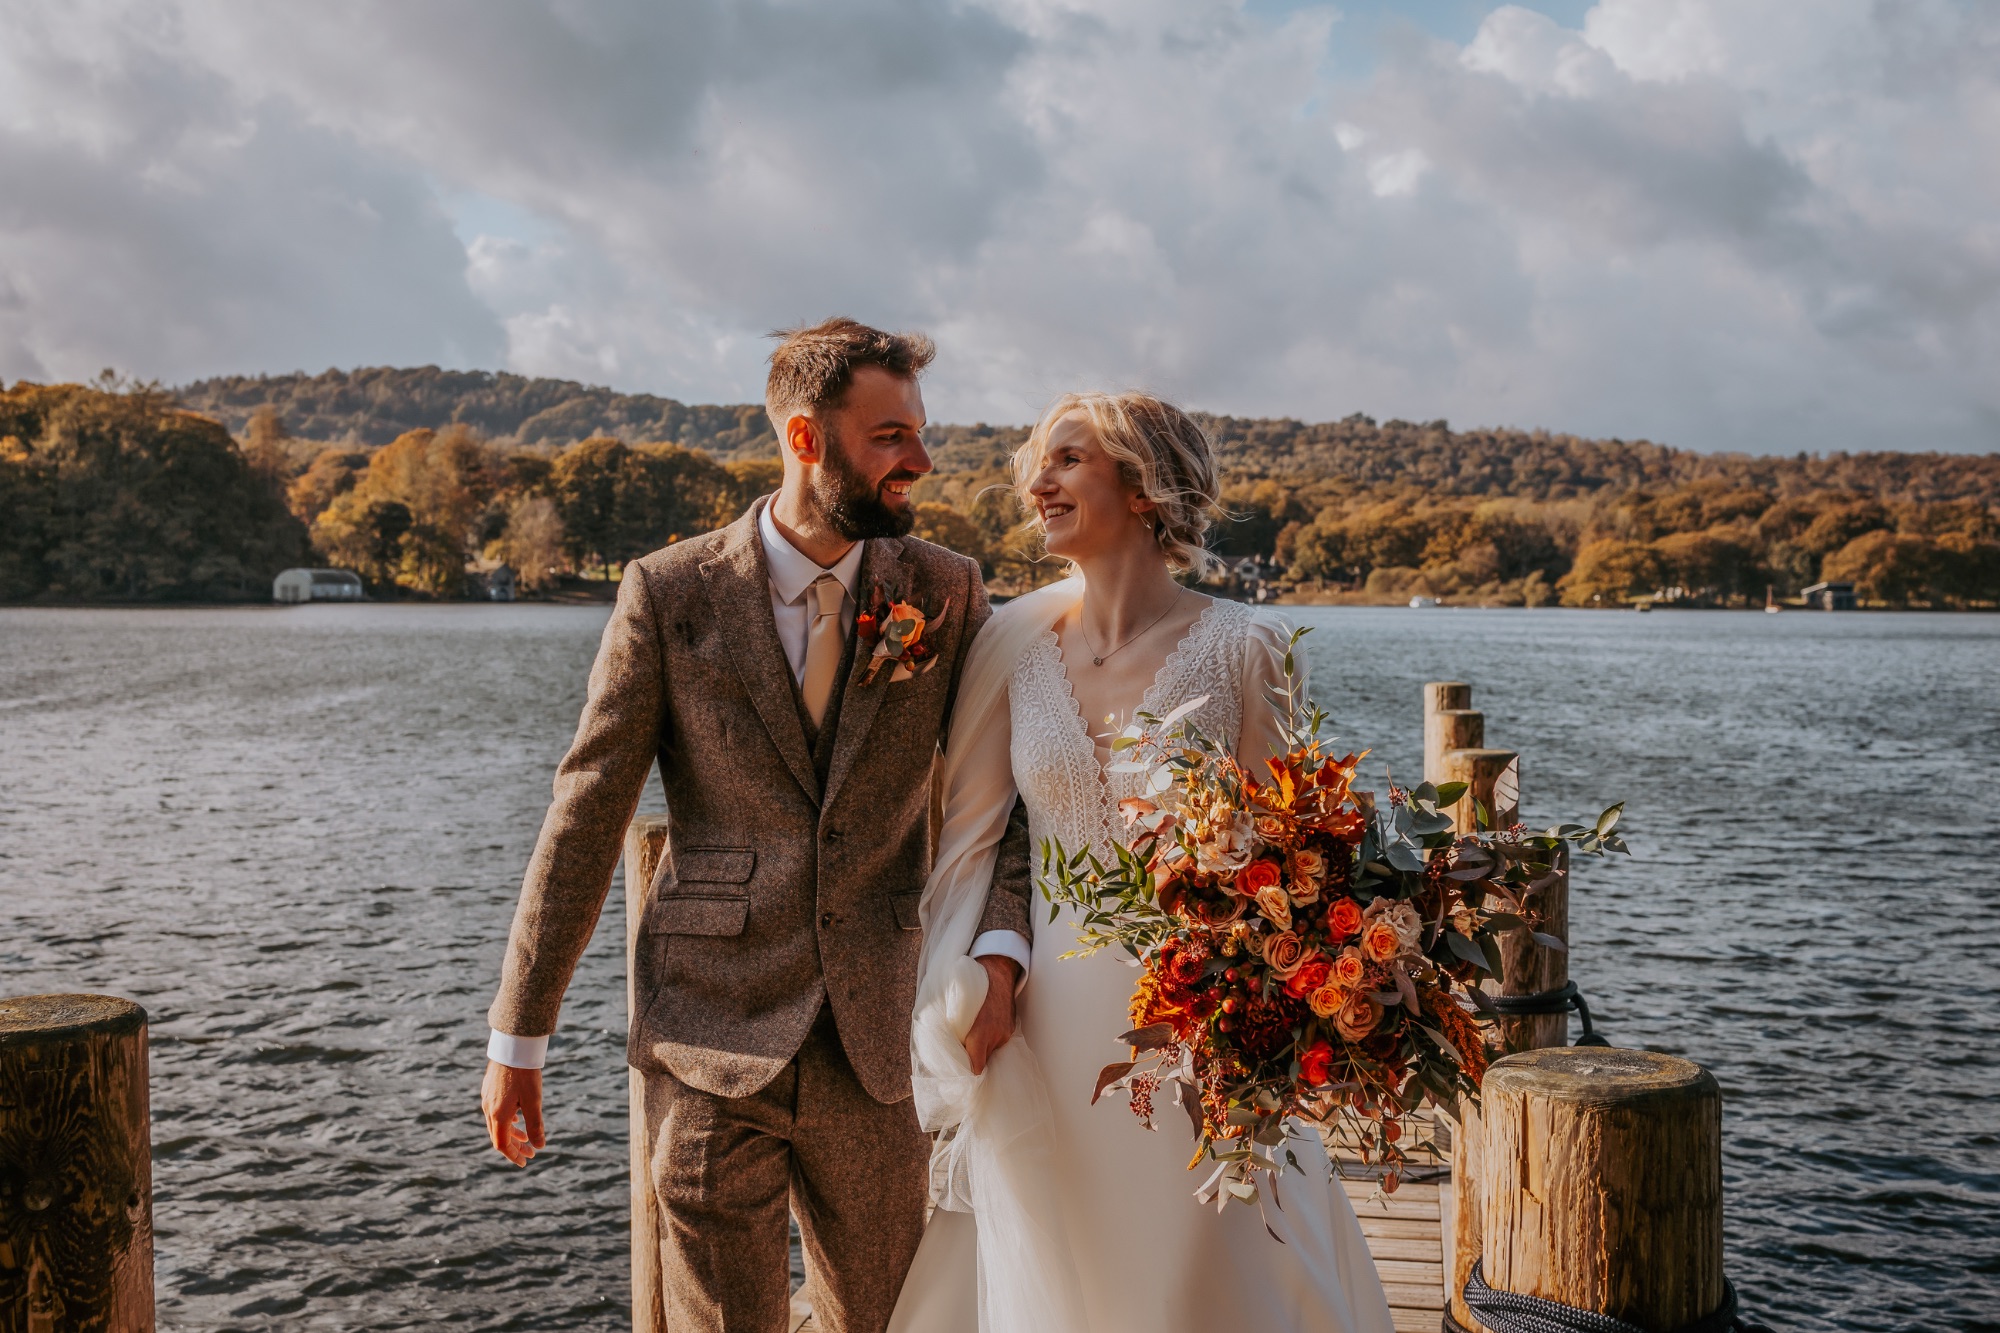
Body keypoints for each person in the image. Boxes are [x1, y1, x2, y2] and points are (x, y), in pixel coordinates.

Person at [479, 317, 1034, 1333]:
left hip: (877, 1042)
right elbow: (588, 805)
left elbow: (1008, 800)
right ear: (804, 439)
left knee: (886, 1320)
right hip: (706, 1038)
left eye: (918, 432)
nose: (919, 460)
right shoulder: (668, 591)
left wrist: (997, 952)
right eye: (889, 438)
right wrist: (519, 1035)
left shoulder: (944, 592)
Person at [890, 392, 1394, 1332]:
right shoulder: (1012, 650)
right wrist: (986, 971)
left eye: (1067, 460)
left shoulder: (1249, 649)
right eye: (1037, 463)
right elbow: (990, 842)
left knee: (1201, 1265)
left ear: (1144, 487)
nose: (1037, 483)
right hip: (1046, 1027)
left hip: (1200, 1027)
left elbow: (1297, 858)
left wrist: (1260, 1016)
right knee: (1060, 1265)